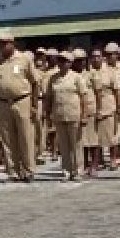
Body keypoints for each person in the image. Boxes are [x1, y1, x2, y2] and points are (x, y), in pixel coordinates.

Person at [0, 30, 39, 182]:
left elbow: (35, 82)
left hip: (22, 100)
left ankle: (28, 170)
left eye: (6, 43)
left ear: (13, 43)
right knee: (8, 139)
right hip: (3, 102)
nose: (3, 46)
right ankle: (13, 171)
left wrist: (33, 105)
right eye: (1, 44)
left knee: (25, 137)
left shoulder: (24, 59)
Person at [45, 50, 86, 181]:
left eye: (65, 61)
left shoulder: (76, 77)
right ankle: (67, 170)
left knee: (76, 144)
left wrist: (84, 115)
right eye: (60, 61)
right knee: (63, 145)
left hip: (74, 114)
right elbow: (49, 97)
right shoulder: (53, 78)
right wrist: (48, 114)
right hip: (59, 114)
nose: (61, 64)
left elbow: (83, 97)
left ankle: (78, 170)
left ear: (70, 63)